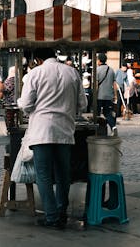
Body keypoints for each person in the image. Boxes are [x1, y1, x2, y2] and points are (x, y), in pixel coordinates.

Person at [17, 47, 87, 229]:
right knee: (63, 174)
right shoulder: (72, 72)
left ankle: (51, 216)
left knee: (44, 175)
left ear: (38, 59)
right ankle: (61, 212)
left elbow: (25, 105)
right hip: (65, 131)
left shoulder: (35, 73)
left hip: (41, 131)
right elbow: (83, 104)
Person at [97, 53, 118, 137]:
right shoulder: (111, 70)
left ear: (99, 60)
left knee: (97, 113)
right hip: (109, 95)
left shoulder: (97, 70)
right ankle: (113, 127)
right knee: (107, 113)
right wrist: (115, 95)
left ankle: (98, 131)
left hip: (99, 95)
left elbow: (95, 85)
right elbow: (114, 84)